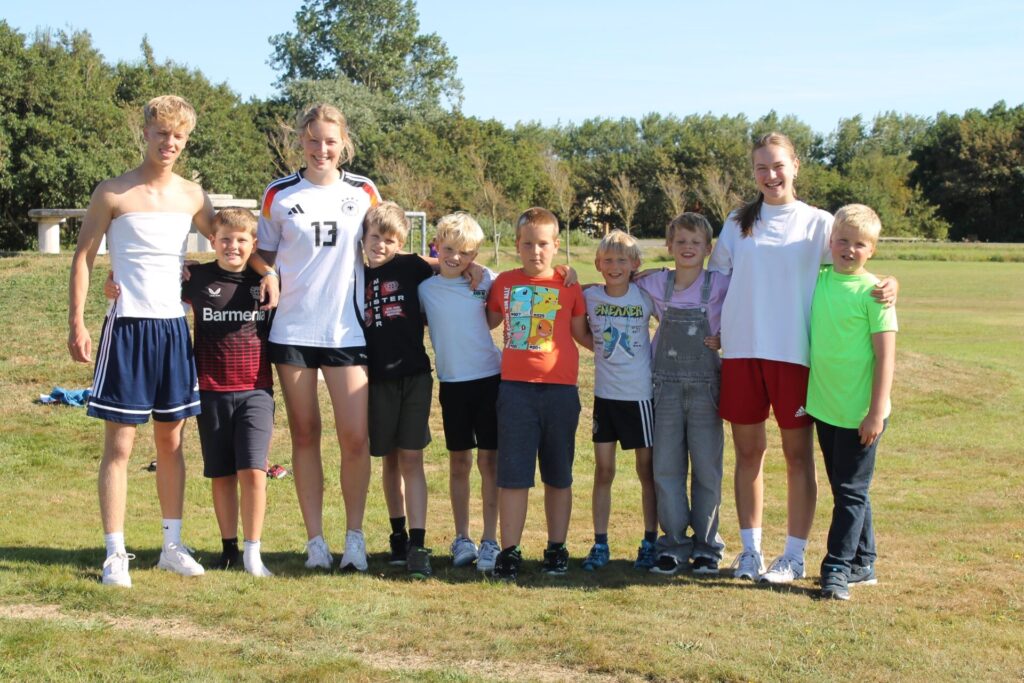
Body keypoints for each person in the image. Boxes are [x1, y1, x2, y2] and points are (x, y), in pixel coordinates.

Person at [68, 95, 278, 588]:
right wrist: (77, 321)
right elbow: (83, 257)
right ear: (146, 133)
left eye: (178, 136)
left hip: (173, 330)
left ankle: (171, 546)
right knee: (120, 445)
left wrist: (267, 272)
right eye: (162, 133)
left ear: (186, 140)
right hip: (127, 328)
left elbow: (232, 239)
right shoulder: (112, 192)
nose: (169, 143)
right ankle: (115, 553)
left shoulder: (192, 195)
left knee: (172, 442)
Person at [708, 131, 897, 584]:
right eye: (761, 168)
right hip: (742, 353)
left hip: (794, 354)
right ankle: (750, 553)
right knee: (748, 454)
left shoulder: (818, 223)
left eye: (778, 165)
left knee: (798, 458)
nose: (770, 175)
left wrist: (891, 283)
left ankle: (793, 557)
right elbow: (715, 282)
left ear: (795, 166)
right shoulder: (736, 223)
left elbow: (853, 261)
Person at [256, 102, 379, 572]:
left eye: (330, 141)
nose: (321, 149)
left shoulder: (364, 191)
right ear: (301, 141)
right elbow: (260, 253)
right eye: (313, 140)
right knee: (305, 434)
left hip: (347, 330)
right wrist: (267, 272)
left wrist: (459, 268)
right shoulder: (279, 193)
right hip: (293, 330)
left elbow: (386, 248)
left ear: (343, 143)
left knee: (355, 437)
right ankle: (315, 542)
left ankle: (354, 539)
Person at [485, 207, 591, 580]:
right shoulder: (503, 283)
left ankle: (556, 548)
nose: (536, 251)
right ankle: (509, 552)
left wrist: (622, 353)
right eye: (528, 244)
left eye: (543, 244)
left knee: (558, 475)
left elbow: (581, 333)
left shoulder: (568, 284)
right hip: (515, 392)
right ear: (517, 245)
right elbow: (485, 319)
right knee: (513, 476)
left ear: (556, 245)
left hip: (561, 392)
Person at [805, 204, 897, 600]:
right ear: (830, 242)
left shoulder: (875, 293)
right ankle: (864, 561)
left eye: (860, 244)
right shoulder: (818, 280)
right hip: (826, 408)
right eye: (842, 241)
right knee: (848, 490)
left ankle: (837, 570)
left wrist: (875, 412)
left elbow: (885, 357)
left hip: (861, 414)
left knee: (850, 491)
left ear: (872, 249)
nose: (849, 249)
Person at [182, 208, 275, 578]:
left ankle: (254, 552)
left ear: (253, 244)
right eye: (225, 239)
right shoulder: (197, 277)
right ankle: (228, 548)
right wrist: (113, 282)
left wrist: (269, 273)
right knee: (221, 474)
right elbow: (151, 285)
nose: (232, 246)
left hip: (256, 390)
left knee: (253, 471)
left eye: (240, 240)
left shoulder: (265, 281)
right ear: (212, 241)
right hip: (211, 391)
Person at [635, 213, 730, 575]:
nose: (688, 248)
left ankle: (707, 546)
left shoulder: (721, 284)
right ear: (669, 246)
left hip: (707, 389)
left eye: (695, 242)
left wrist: (726, 337)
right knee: (666, 468)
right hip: (666, 388)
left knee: (707, 469)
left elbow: (752, 308)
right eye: (681, 242)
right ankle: (673, 544)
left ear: (708, 248)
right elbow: (617, 279)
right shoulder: (657, 283)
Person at [418, 212, 502, 573]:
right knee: (459, 463)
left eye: (465, 253)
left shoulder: (486, 280)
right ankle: (462, 538)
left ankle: (491, 540)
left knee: (490, 463)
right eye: (449, 249)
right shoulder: (424, 289)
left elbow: (499, 309)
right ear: (437, 246)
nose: (456, 258)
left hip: (490, 380)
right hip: (452, 386)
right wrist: (435, 262)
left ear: (475, 254)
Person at [361, 201, 436, 577]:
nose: (381, 245)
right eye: (375, 237)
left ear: (401, 242)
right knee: (388, 459)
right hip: (375, 380)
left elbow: (450, 263)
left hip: (414, 376)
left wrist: (475, 271)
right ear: (364, 238)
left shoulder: (412, 266)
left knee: (411, 458)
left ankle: (418, 543)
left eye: (390, 240)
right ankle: (397, 534)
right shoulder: (354, 273)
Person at [579, 230, 658, 572]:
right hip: (605, 398)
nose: (614, 266)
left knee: (646, 471)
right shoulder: (591, 297)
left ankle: (650, 541)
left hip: (639, 397)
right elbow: (577, 327)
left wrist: (655, 272)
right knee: (604, 471)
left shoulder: (645, 297)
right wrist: (599, 348)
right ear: (598, 264)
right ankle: (600, 543)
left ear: (634, 264)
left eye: (622, 260)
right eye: (608, 260)